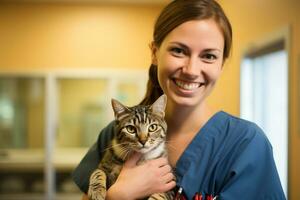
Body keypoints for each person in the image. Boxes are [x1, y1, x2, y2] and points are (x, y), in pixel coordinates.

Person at [72, 0, 286, 199]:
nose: (192, 71)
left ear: (221, 64)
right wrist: (117, 196)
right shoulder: (114, 133)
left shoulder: (246, 145)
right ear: (155, 53)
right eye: (178, 50)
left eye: (209, 56)